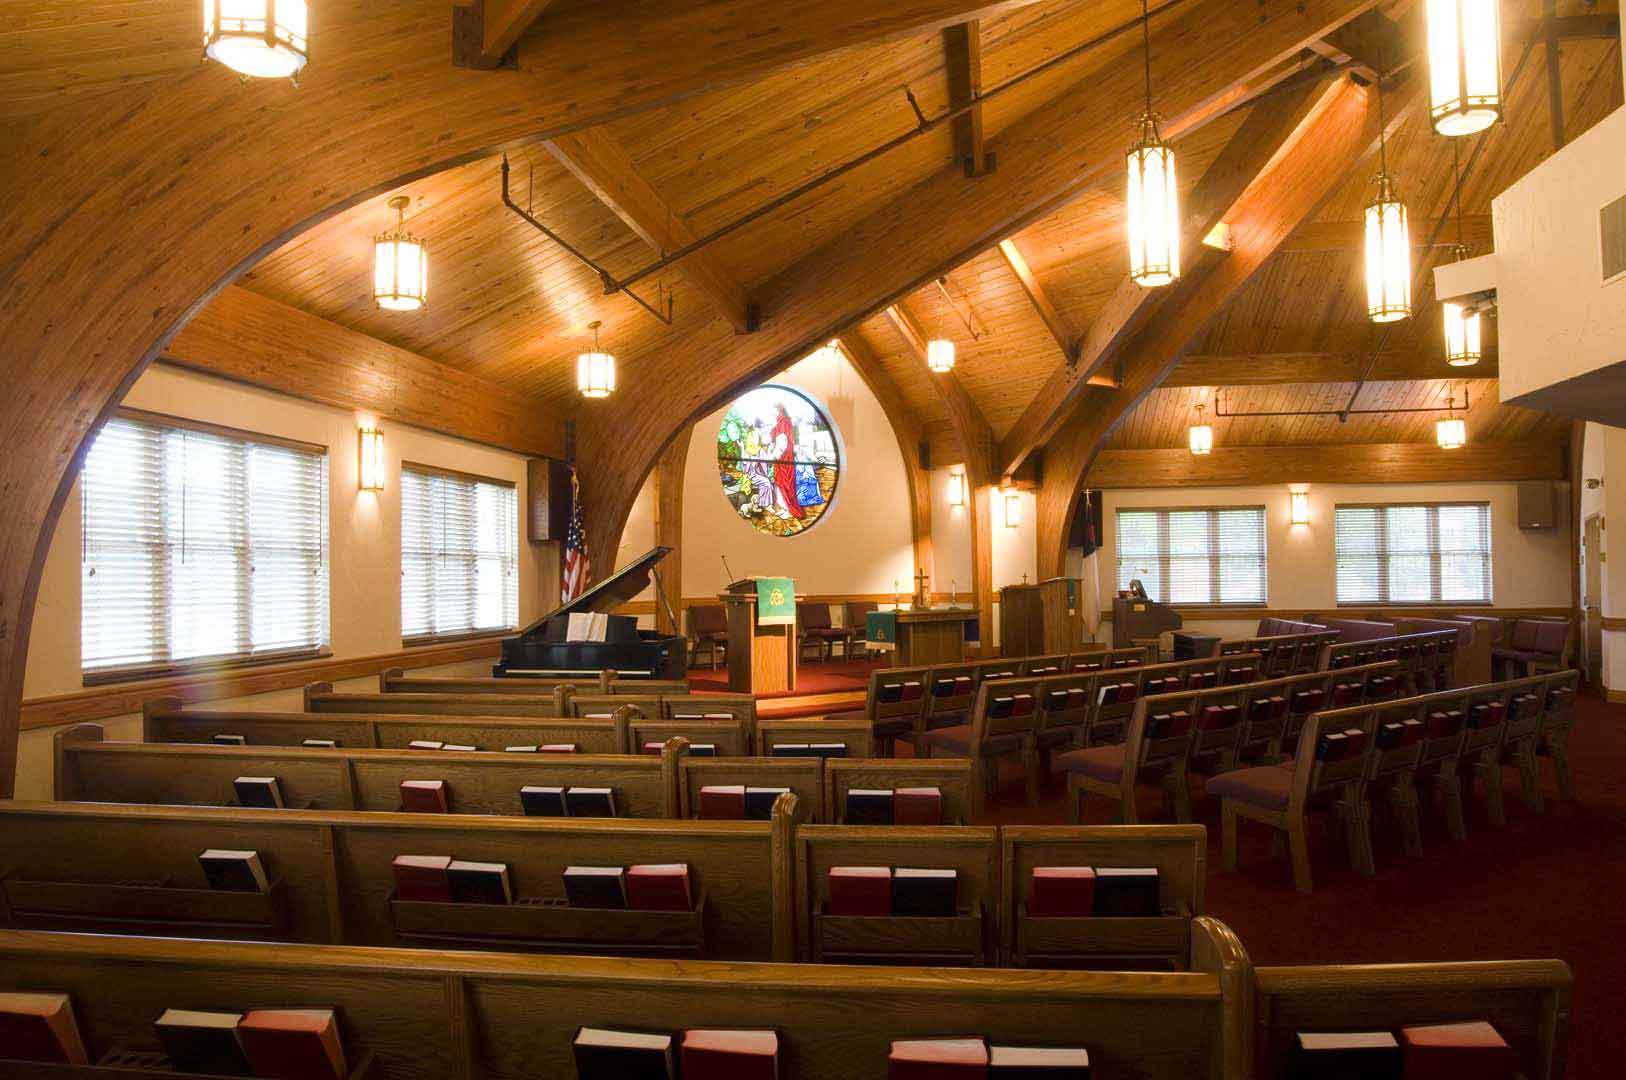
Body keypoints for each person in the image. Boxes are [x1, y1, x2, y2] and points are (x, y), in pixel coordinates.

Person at [768, 403, 805, 521]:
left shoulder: (784, 423)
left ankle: (789, 510)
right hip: (780, 461)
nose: (772, 413)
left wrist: (774, 455)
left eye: (773, 410)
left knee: (786, 485)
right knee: (780, 484)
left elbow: (783, 443)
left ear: (779, 410)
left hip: (784, 461)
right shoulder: (779, 423)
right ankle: (784, 509)